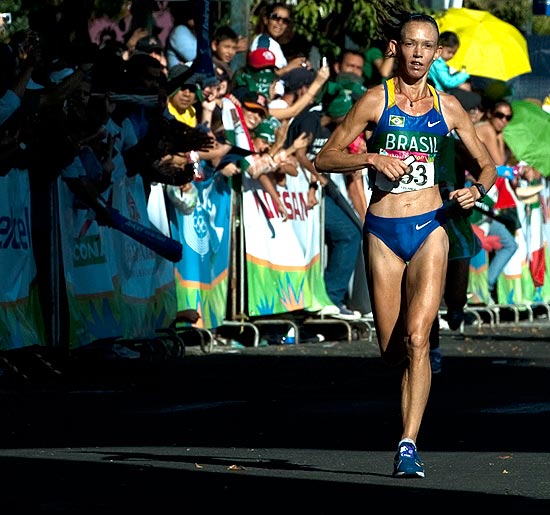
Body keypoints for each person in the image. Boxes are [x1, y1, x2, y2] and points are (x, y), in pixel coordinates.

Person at [314, 13, 497, 478]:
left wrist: (477, 189)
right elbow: (325, 157)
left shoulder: (449, 107)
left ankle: (408, 444)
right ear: (397, 48)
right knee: (392, 350)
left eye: (427, 46)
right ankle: (412, 352)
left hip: (429, 225)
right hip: (382, 231)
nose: (418, 53)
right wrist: (372, 155)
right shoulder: (375, 100)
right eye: (411, 45)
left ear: (437, 53)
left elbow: (487, 164)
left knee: (419, 339)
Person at [471, 99, 519, 302]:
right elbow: (498, 165)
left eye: (508, 117)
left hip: (488, 200)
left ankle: (484, 290)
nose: (504, 121)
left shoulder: (498, 134)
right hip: (477, 197)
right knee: (477, 248)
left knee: (508, 244)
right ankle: (477, 294)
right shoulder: (486, 130)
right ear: (490, 114)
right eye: (500, 115)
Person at [249, 2, 307, 77]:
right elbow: (262, 77)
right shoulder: (263, 43)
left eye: (285, 21)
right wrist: (288, 68)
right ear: (266, 20)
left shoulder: (273, 44)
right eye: (275, 17)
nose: (280, 23)